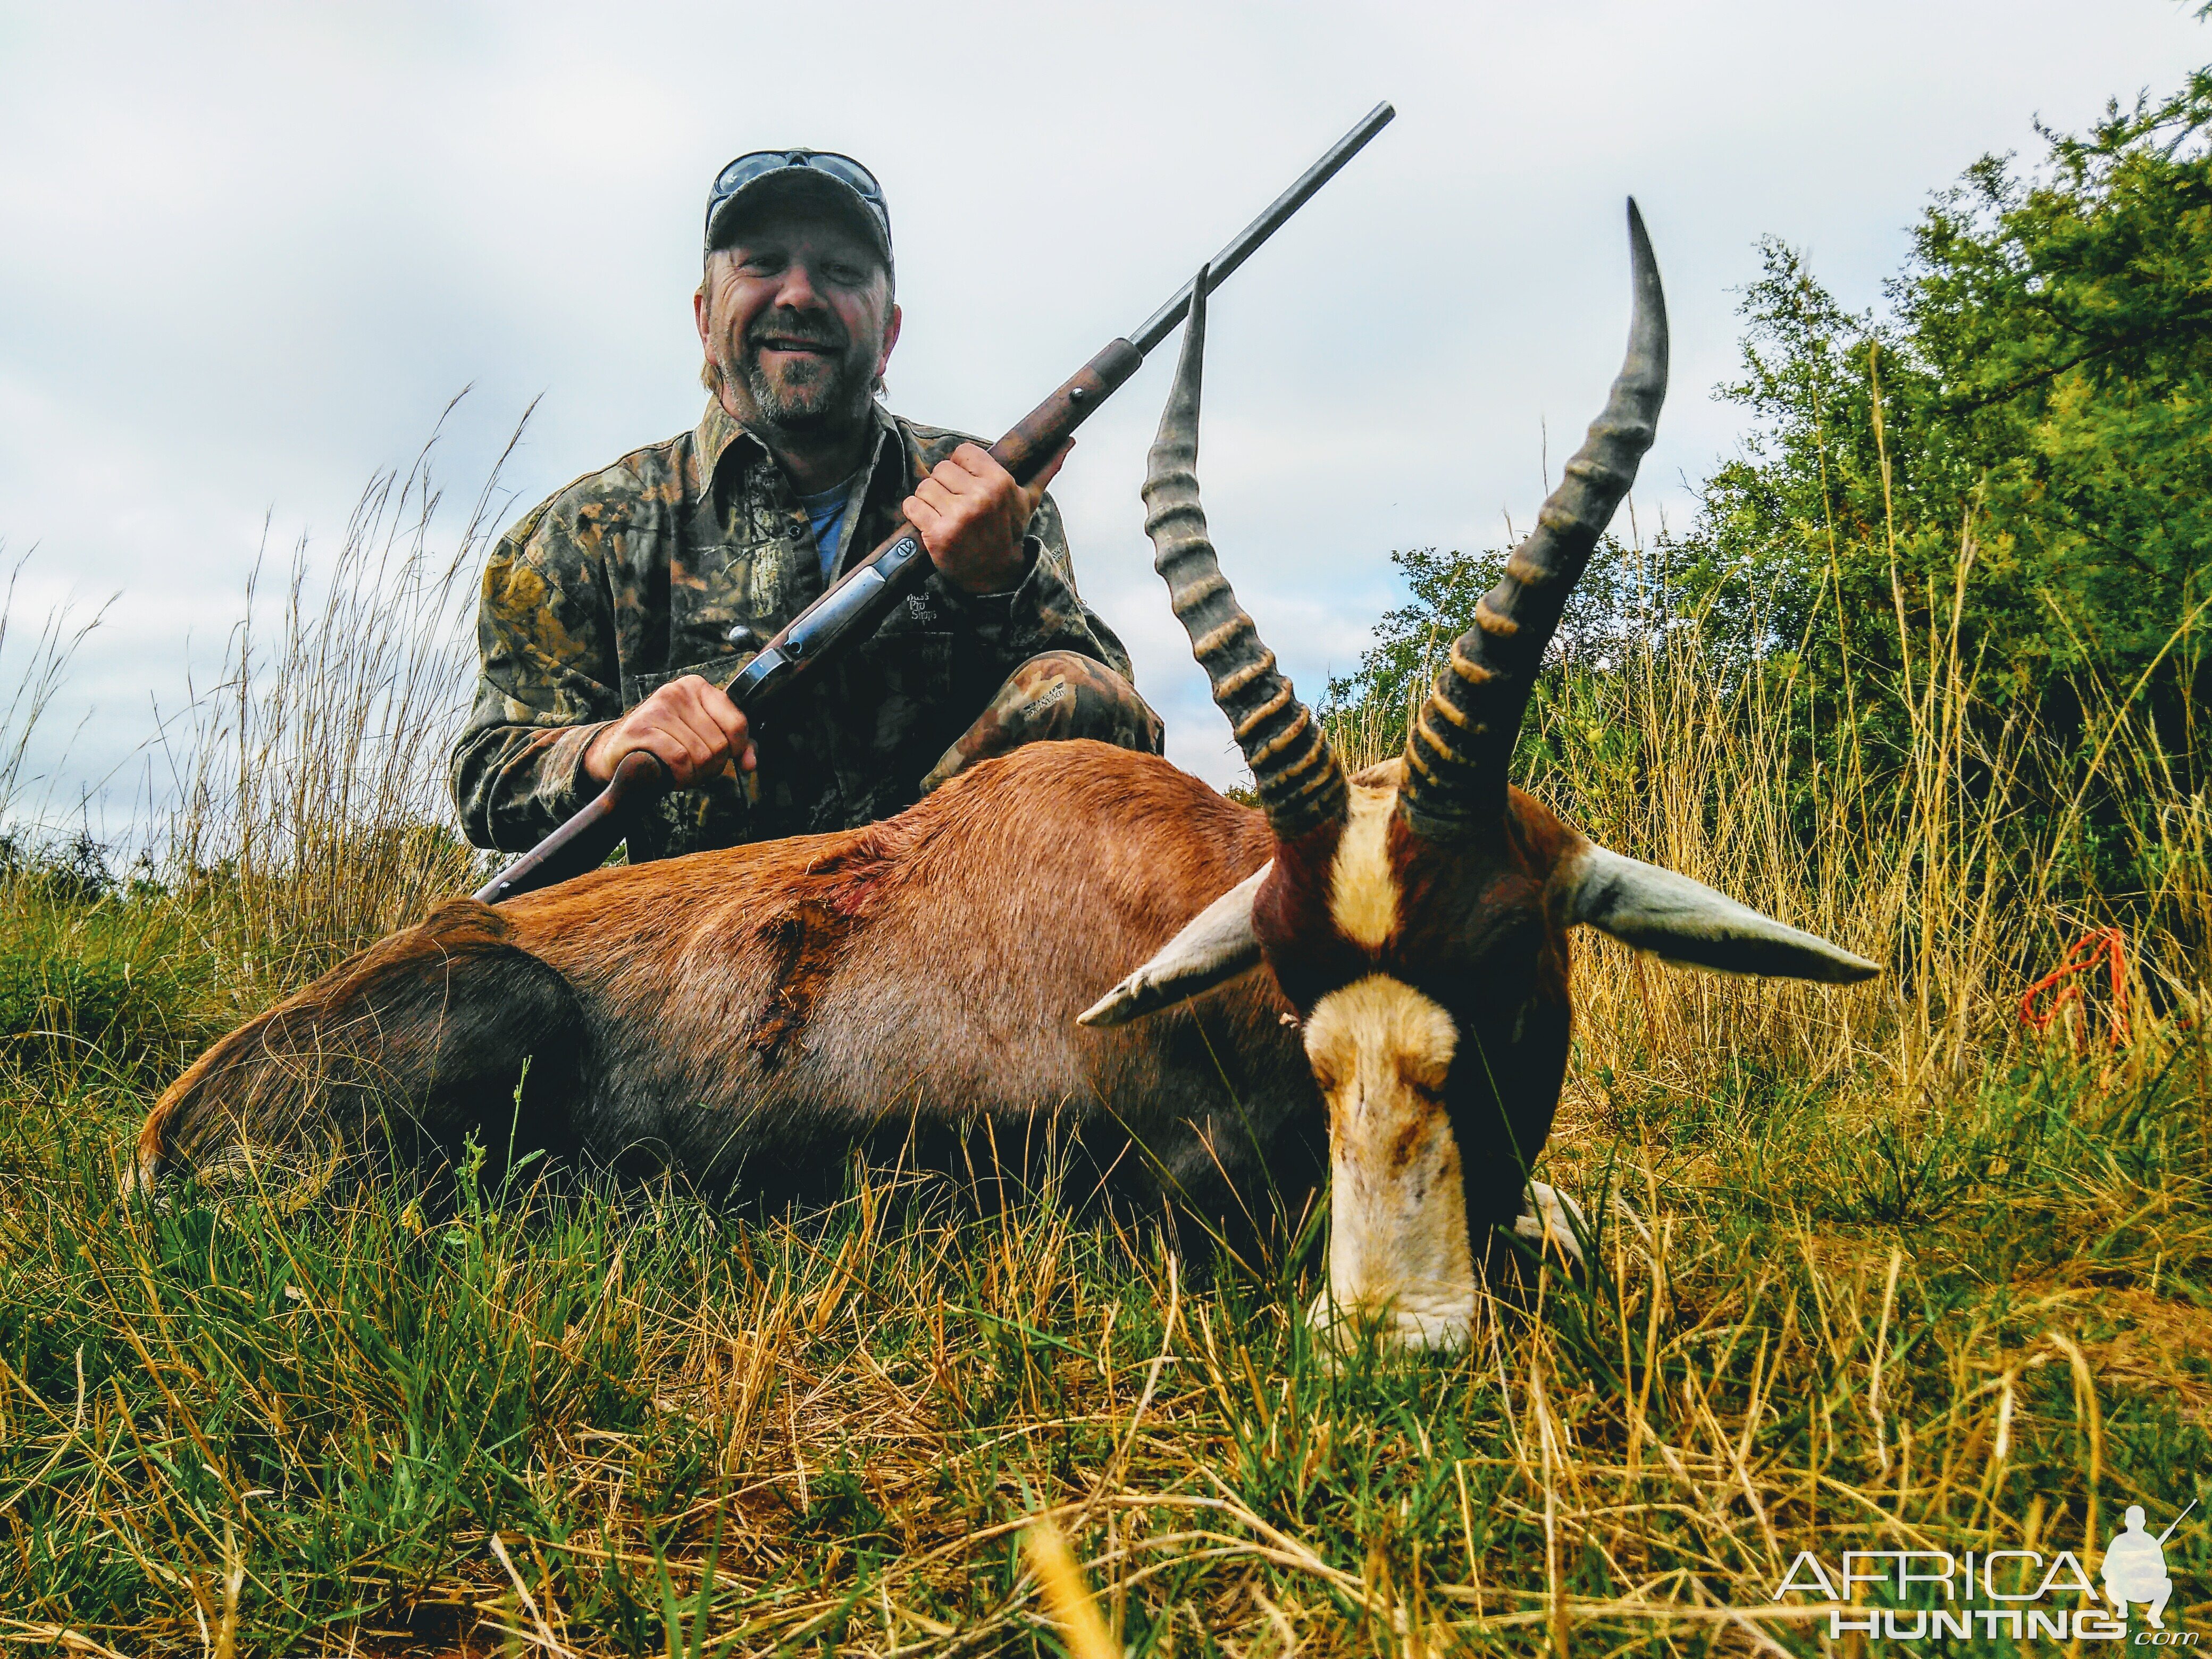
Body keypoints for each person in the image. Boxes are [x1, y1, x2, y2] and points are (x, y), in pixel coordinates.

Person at [452, 149, 1162, 863]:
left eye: (842, 272)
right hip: (701, 957)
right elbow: (486, 779)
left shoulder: (990, 499)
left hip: (940, 938)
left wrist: (1002, 579)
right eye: (761, 263)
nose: (799, 295)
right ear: (705, 318)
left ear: (888, 334)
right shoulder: (585, 535)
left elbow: (1120, 733)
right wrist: (606, 750)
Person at [2102, 1505, 2174, 1629]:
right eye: (2132, 1520)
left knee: (2167, 1584)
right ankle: (2122, 1607)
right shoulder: (2119, 1542)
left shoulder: (2151, 1542)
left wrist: (2148, 1567)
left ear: (2144, 1522)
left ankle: (2154, 1615)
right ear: (2126, 1522)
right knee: (2110, 1582)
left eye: (2138, 1521)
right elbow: (2106, 1570)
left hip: (2145, 1588)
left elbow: (2163, 1570)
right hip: (2123, 1589)